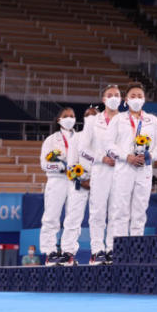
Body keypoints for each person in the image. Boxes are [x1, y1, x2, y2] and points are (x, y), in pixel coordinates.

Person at [106, 84, 157, 243]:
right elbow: (109, 144)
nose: (136, 99)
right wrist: (126, 156)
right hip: (124, 167)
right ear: (126, 100)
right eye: (133, 96)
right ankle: (118, 248)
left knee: (140, 210)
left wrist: (150, 156)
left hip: (144, 169)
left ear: (144, 99)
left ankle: (136, 247)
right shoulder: (118, 119)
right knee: (121, 210)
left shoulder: (152, 120)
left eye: (140, 96)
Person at [84, 85, 122, 265]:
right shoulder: (93, 121)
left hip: (120, 171)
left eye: (117, 95)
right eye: (110, 95)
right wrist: (101, 158)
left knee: (116, 211)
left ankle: (112, 249)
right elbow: (83, 149)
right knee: (98, 211)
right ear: (103, 99)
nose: (113, 98)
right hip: (100, 171)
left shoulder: (126, 120)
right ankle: (97, 250)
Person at [39, 107, 80, 266]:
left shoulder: (80, 138)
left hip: (75, 181)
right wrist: (61, 167)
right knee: (51, 217)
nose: (69, 118)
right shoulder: (51, 140)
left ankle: (69, 252)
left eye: (72, 116)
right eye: (66, 116)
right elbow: (44, 164)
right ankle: (50, 253)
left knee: (73, 218)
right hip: (57, 181)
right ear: (59, 120)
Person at [57, 106, 96, 264]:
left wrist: (98, 182)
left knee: (98, 220)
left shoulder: (107, 138)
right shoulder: (76, 138)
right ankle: (67, 252)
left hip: (100, 185)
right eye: (87, 115)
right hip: (79, 184)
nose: (90, 117)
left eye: (94, 115)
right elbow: (71, 166)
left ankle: (99, 252)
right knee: (72, 218)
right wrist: (83, 181)